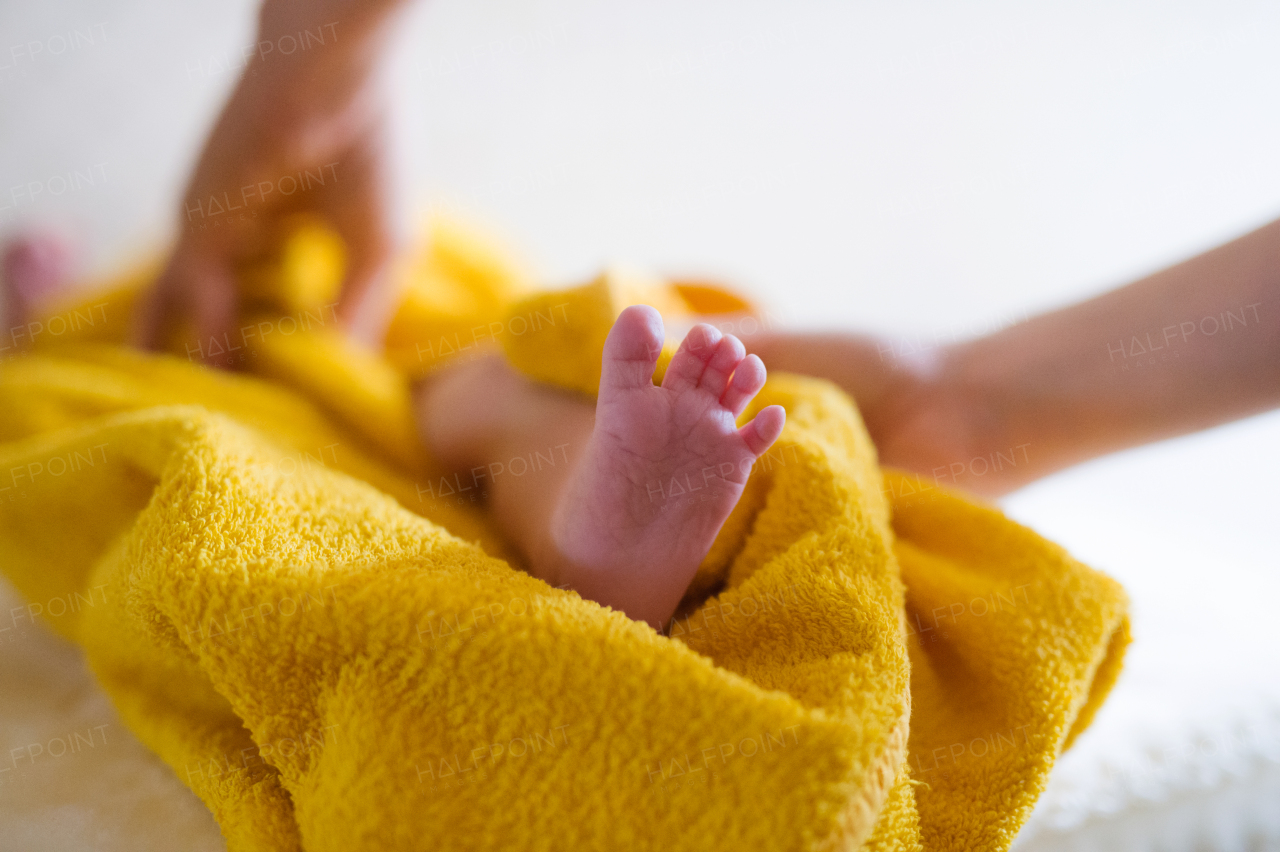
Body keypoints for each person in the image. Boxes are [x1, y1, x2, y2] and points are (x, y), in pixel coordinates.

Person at [4, 0, 1278, 627]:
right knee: (516, 396)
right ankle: (924, 415)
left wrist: (313, 65)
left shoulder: (140, 312)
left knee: (499, 391)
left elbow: (113, 387)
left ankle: (612, 550)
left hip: (432, 349)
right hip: (483, 359)